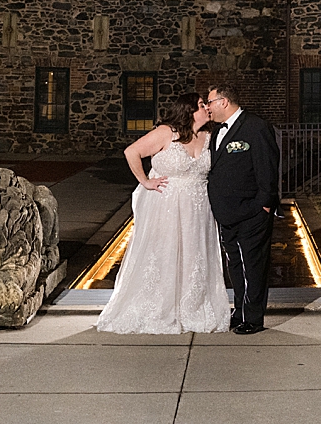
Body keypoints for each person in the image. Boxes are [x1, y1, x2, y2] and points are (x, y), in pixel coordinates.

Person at [96, 93, 229, 335]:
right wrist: (145, 181)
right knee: (165, 253)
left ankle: (192, 306)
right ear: (188, 111)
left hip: (198, 209)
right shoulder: (167, 132)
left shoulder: (210, 136)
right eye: (201, 105)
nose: (206, 108)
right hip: (166, 207)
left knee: (194, 254)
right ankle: (160, 307)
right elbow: (131, 152)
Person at [204, 83, 280, 334]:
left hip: (252, 212)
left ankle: (253, 318)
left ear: (223, 102)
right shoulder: (216, 132)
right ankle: (240, 311)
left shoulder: (256, 127)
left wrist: (264, 205)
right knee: (235, 265)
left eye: (210, 103)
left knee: (253, 266)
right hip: (226, 213)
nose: (207, 108)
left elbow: (267, 168)